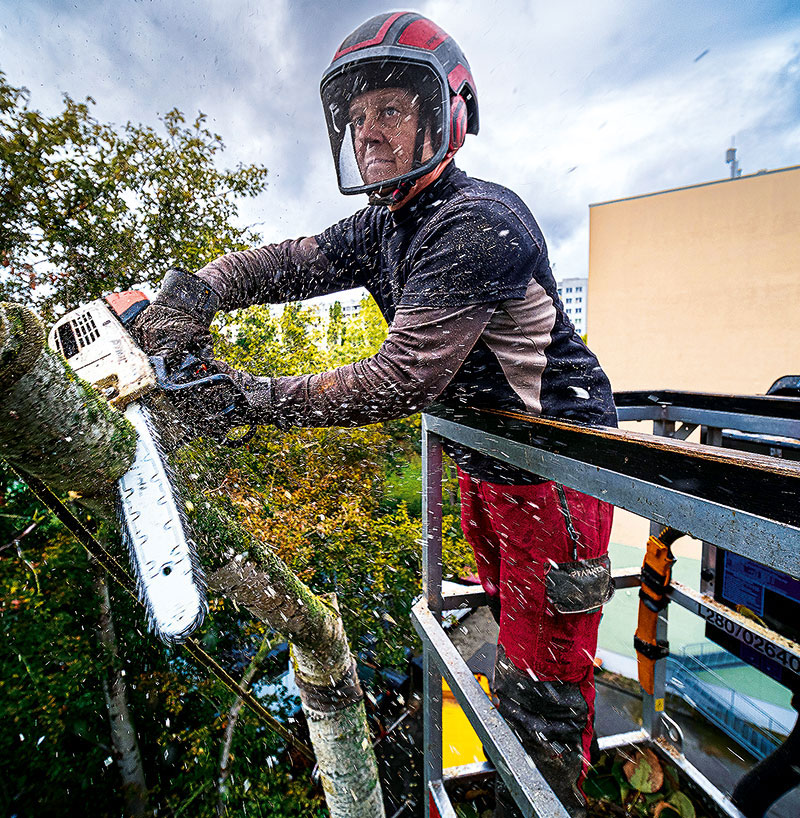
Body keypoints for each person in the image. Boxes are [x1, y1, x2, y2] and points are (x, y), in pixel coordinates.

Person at [133, 12, 616, 817]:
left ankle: (543, 789)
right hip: (488, 461)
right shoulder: (384, 224)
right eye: (356, 119)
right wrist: (199, 289)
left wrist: (248, 398)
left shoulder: (476, 222)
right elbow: (286, 262)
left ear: (443, 115)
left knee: (548, 672)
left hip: (555, 471)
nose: (367, 133)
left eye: (388, 110)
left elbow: (402, 378)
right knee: (508, 616)